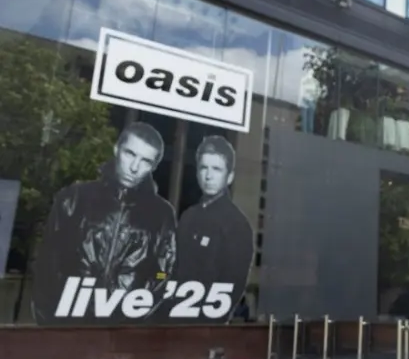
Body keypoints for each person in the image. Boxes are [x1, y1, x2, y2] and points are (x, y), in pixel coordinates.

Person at [32, 122, 177, 325]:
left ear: (153, 167)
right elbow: (47, 262)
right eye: (130, 154)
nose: (134, 167)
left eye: (145, 161)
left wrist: (136, 318)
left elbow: (163, 272)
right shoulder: (75, 198)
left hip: (123, 331)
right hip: (68, 322)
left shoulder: (161, 213)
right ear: (117, 149)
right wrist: (50, 322)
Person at [173, 135, 253, 324]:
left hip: (205, 323)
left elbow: (234, 284)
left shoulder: (237, 225)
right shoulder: (188, 216)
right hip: (173, 318)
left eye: (216, 169)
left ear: (229, 177)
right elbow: (170, 267)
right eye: (204, 168)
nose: (208, 176)